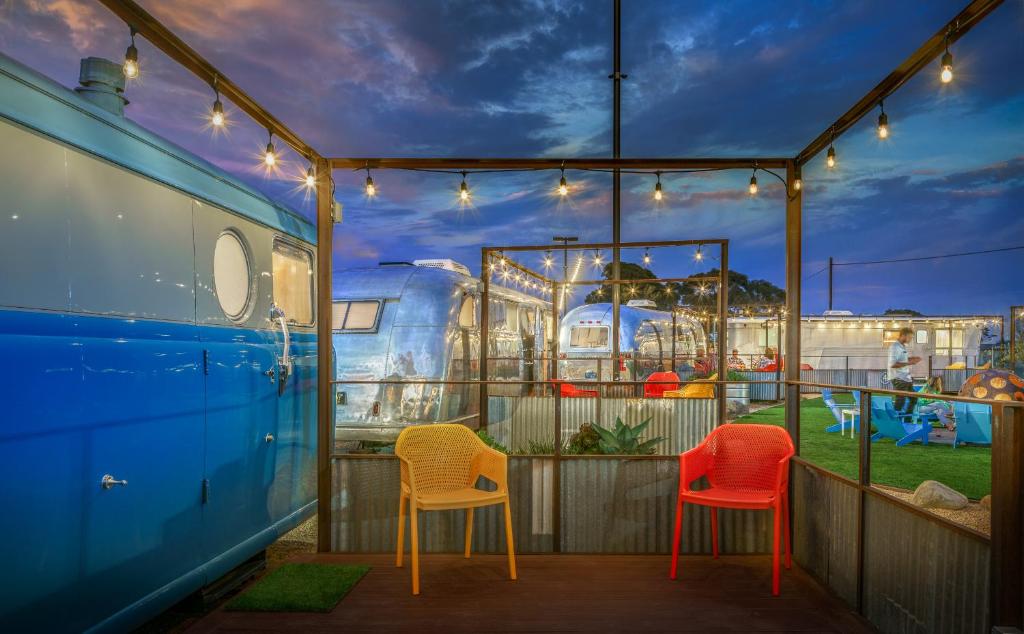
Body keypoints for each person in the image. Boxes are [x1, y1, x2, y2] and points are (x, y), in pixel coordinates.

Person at [888, 327, 922, 413]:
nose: (910, 340)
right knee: (900, 400)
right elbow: (893, 364)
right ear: (903, 335)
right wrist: (910, 363)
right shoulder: (895, 347)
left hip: (906, 378)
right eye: (909, 337)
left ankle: (907, 420)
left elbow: (902, 360)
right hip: (898, 378)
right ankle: (896, 421)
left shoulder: (902, 346)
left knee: (914, 398)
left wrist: (912, 359)